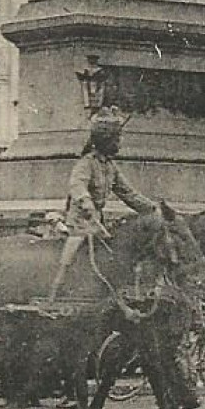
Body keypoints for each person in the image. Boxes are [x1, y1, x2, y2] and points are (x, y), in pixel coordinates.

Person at [52, 107, 158, 300]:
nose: (119, 144)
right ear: (105, 141)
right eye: (116, 140)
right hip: (81, 223)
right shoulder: (86, 163)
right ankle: (57, 286)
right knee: (73, 252)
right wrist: (87, 204)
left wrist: (154, 209)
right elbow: (77, 186)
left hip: (99, 223)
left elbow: (129, 194)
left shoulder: (109, 167)